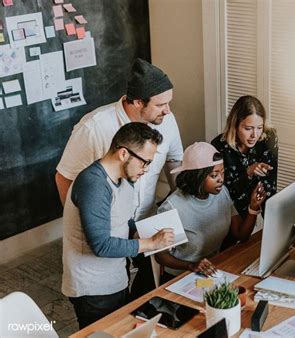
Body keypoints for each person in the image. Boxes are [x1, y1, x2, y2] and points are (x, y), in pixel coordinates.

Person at [56, 58, 183, 298]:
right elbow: (64, 178)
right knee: (105, 299)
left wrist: (181, 207)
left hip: (143, 223)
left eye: (169, 103)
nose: (168, 111)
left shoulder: (167, 121)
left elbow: (175, 162)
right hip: (105, 234)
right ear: (138, 102)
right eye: (160, 105)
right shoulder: (94, 128)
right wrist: (90, 222)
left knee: (144, 292)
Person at [62, 123, 175, 329]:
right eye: (144, 162)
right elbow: (101, 245)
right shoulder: (94, 184)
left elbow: (124, 220)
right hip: (92, 289)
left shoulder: (126, 179)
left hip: (116, 279)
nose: (146, 169)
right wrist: (149, 243)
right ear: (124, 153)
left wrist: (147, 233)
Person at [154, 142, 266, 284]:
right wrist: (191, 265)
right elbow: (161, 256)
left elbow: (241, 235)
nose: (221, 180)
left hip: (212, 270)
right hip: (181, 277)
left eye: (223, 173)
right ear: (197, 176)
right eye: (214, 175)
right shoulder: (172, 207)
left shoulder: (221, 193)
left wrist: (253, 207)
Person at [211, 95, 278, 247]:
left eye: (259, 127)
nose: (255, 135)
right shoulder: (219, 147)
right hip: (230, 211)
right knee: (231, 254)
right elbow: (225, 194)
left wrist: (273, 230)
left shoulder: (269, 138)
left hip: (256, 206)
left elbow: (269, 186)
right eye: (248, 128)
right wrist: (248, 172)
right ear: (235, 125)